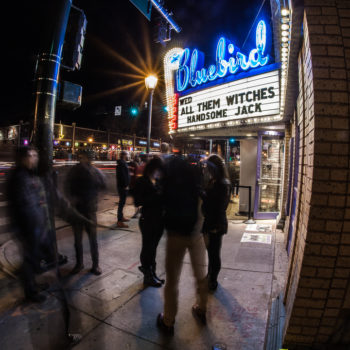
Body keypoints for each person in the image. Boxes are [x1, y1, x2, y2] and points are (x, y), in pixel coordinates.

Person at [6, 146, 83, 346]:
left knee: (32, 261)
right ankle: (30, 292)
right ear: (23, 158)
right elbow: (26, 207)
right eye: (31, 155)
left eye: (36, 155)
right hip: (30, 229)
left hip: (37, 229)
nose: (34, 158)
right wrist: (37, 230)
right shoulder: (19, 177)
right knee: (29, 260)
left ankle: (32, 285)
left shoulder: (30, 175)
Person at [157, 155, 208, 335]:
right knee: (200, 275)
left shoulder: (169, 185)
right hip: (196, 233)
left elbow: (160, 206)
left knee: (172, 281)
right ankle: (201, 308)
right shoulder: (194, 184)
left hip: (175, 235)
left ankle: (168, 321)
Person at [65, 151, 106, 275]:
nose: (88, 160)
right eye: (86, 157)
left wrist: (96, 200)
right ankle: (79, 264)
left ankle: (95, 264)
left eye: (90, 158)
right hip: (78, 210)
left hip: (89, 210)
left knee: (92, 239)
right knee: (78, 240)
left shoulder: (95, 172)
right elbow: (67, 186)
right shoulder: (75, 171)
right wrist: (71, 199)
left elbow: (103, 186)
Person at [133, 157, 165, 288]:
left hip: (159, 219)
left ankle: (153, 272)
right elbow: (138, 201)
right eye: (159, 169)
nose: (160, 172)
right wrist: (156, 196)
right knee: (148, 247)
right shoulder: (142, 181)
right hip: (148, 219)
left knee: (153, 248)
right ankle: (148, 275)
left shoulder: (157, 181)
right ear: (153, 168)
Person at [202, 155, 231, 291]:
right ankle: (210, 275)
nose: (206, 169)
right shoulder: (217, 181)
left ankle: (213, 281)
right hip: (212, 221)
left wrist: (204, 196)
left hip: (215, 223)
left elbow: (217, 206)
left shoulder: (221, 184)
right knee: (211, 252)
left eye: (208, 167)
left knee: (214, 254)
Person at [116, 150, 130, 228]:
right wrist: (125, 185)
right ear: (124, 155)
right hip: (123, 187)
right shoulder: (121, 164)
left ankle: (121, 217)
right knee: (121, 203)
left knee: (122, 202)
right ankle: (119, 221)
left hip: (122, 186)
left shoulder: (122, 163)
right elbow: (122, 176)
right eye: (127, 154)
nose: (128, 155)